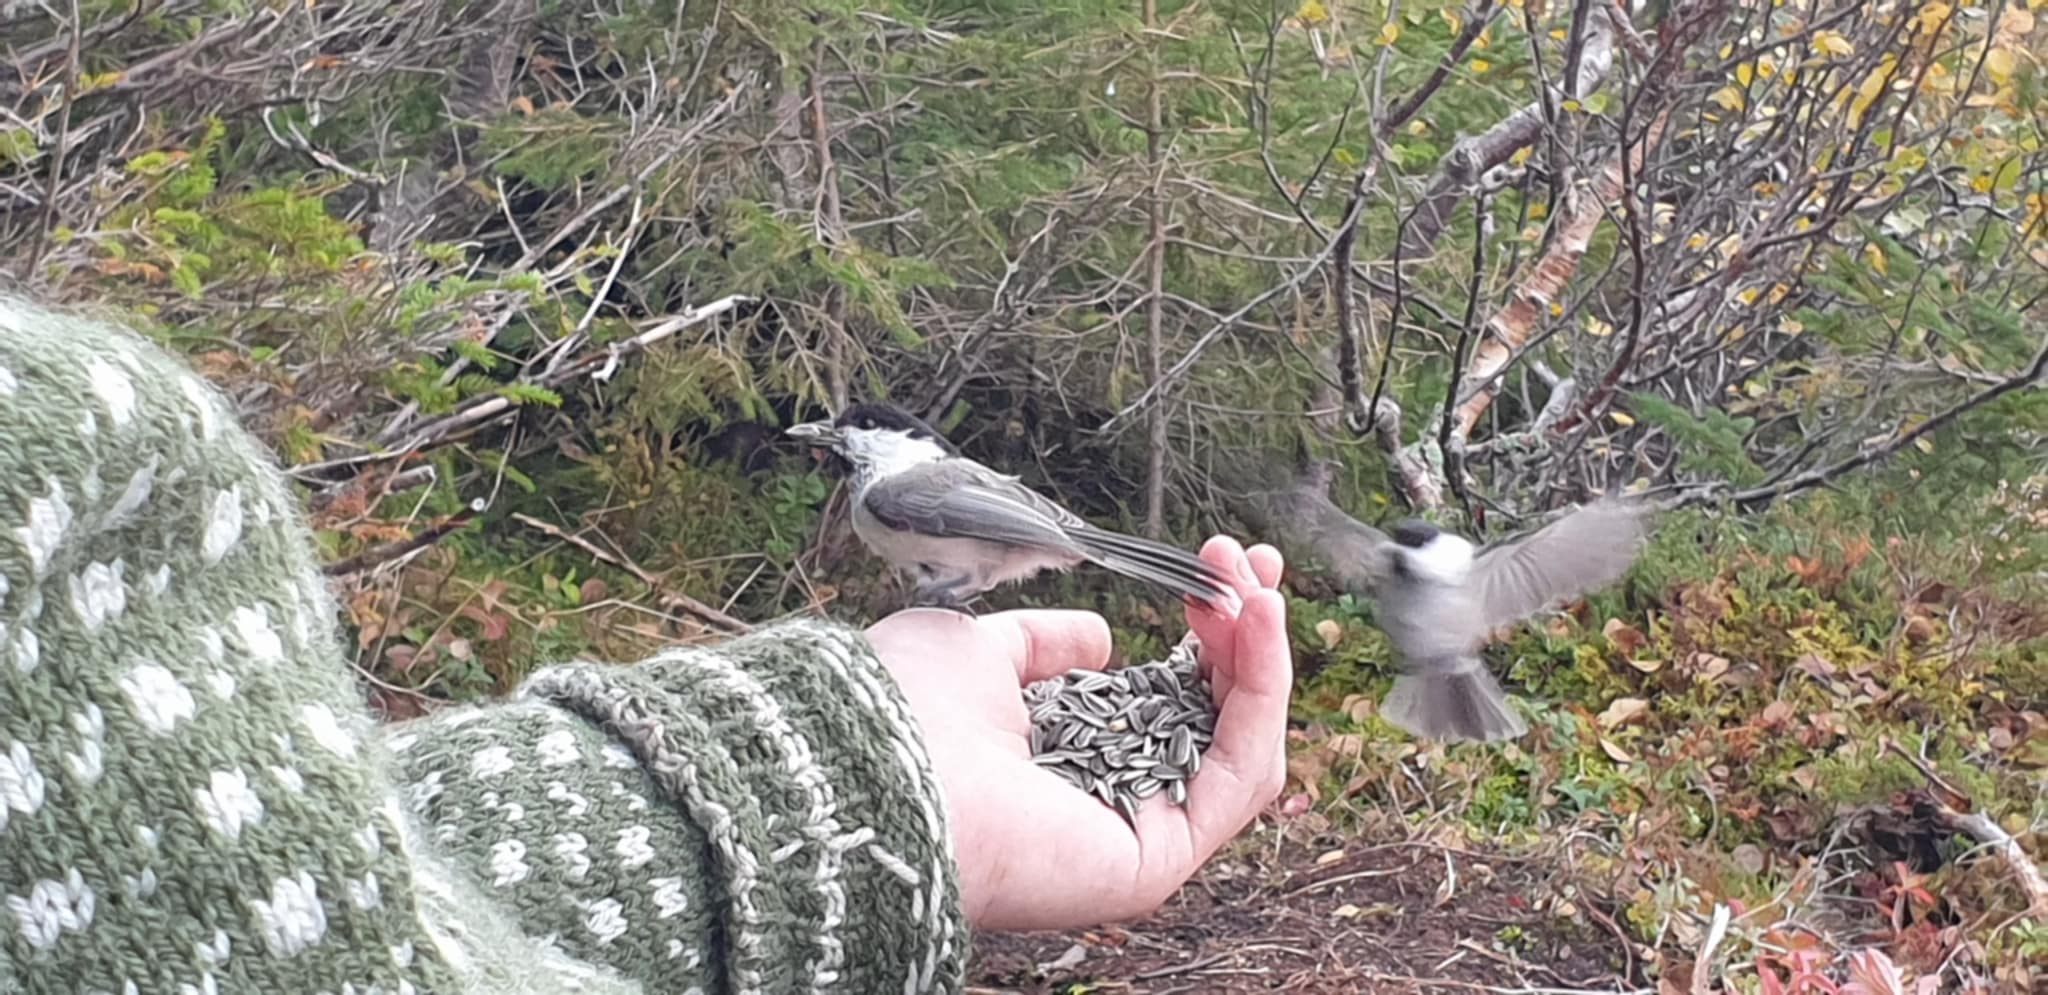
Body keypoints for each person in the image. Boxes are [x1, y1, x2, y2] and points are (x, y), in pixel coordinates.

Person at [0, 294, 1292, 995]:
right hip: (969, 636)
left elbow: (992, 526)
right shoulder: (888, 483)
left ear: (885, 448)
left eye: (855, 433)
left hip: (1005, 566)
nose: (842, 447)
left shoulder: (901, 489)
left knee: (948, 579)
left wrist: (952, 624)